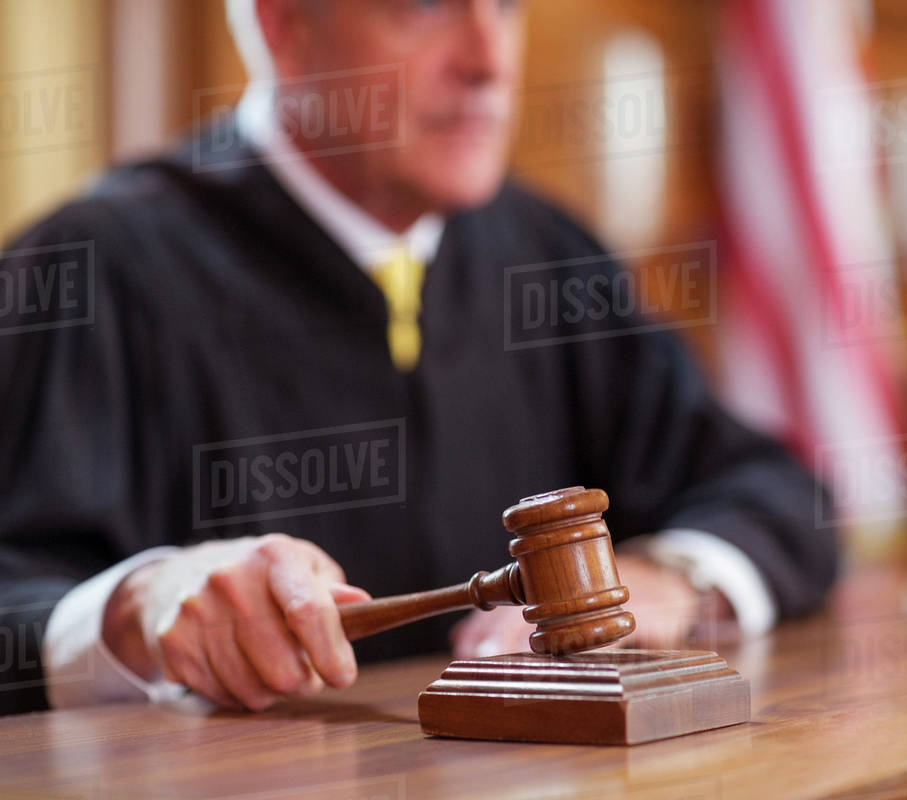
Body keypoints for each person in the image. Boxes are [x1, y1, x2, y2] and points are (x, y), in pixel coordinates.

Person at [0, 0, 836, 716]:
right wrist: (131, 609)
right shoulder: (93, 270)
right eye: (425, 4)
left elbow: (775, 492)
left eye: (505, 4)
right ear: (283, 23)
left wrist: (669, 579)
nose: (488, 59)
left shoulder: (547, 258)